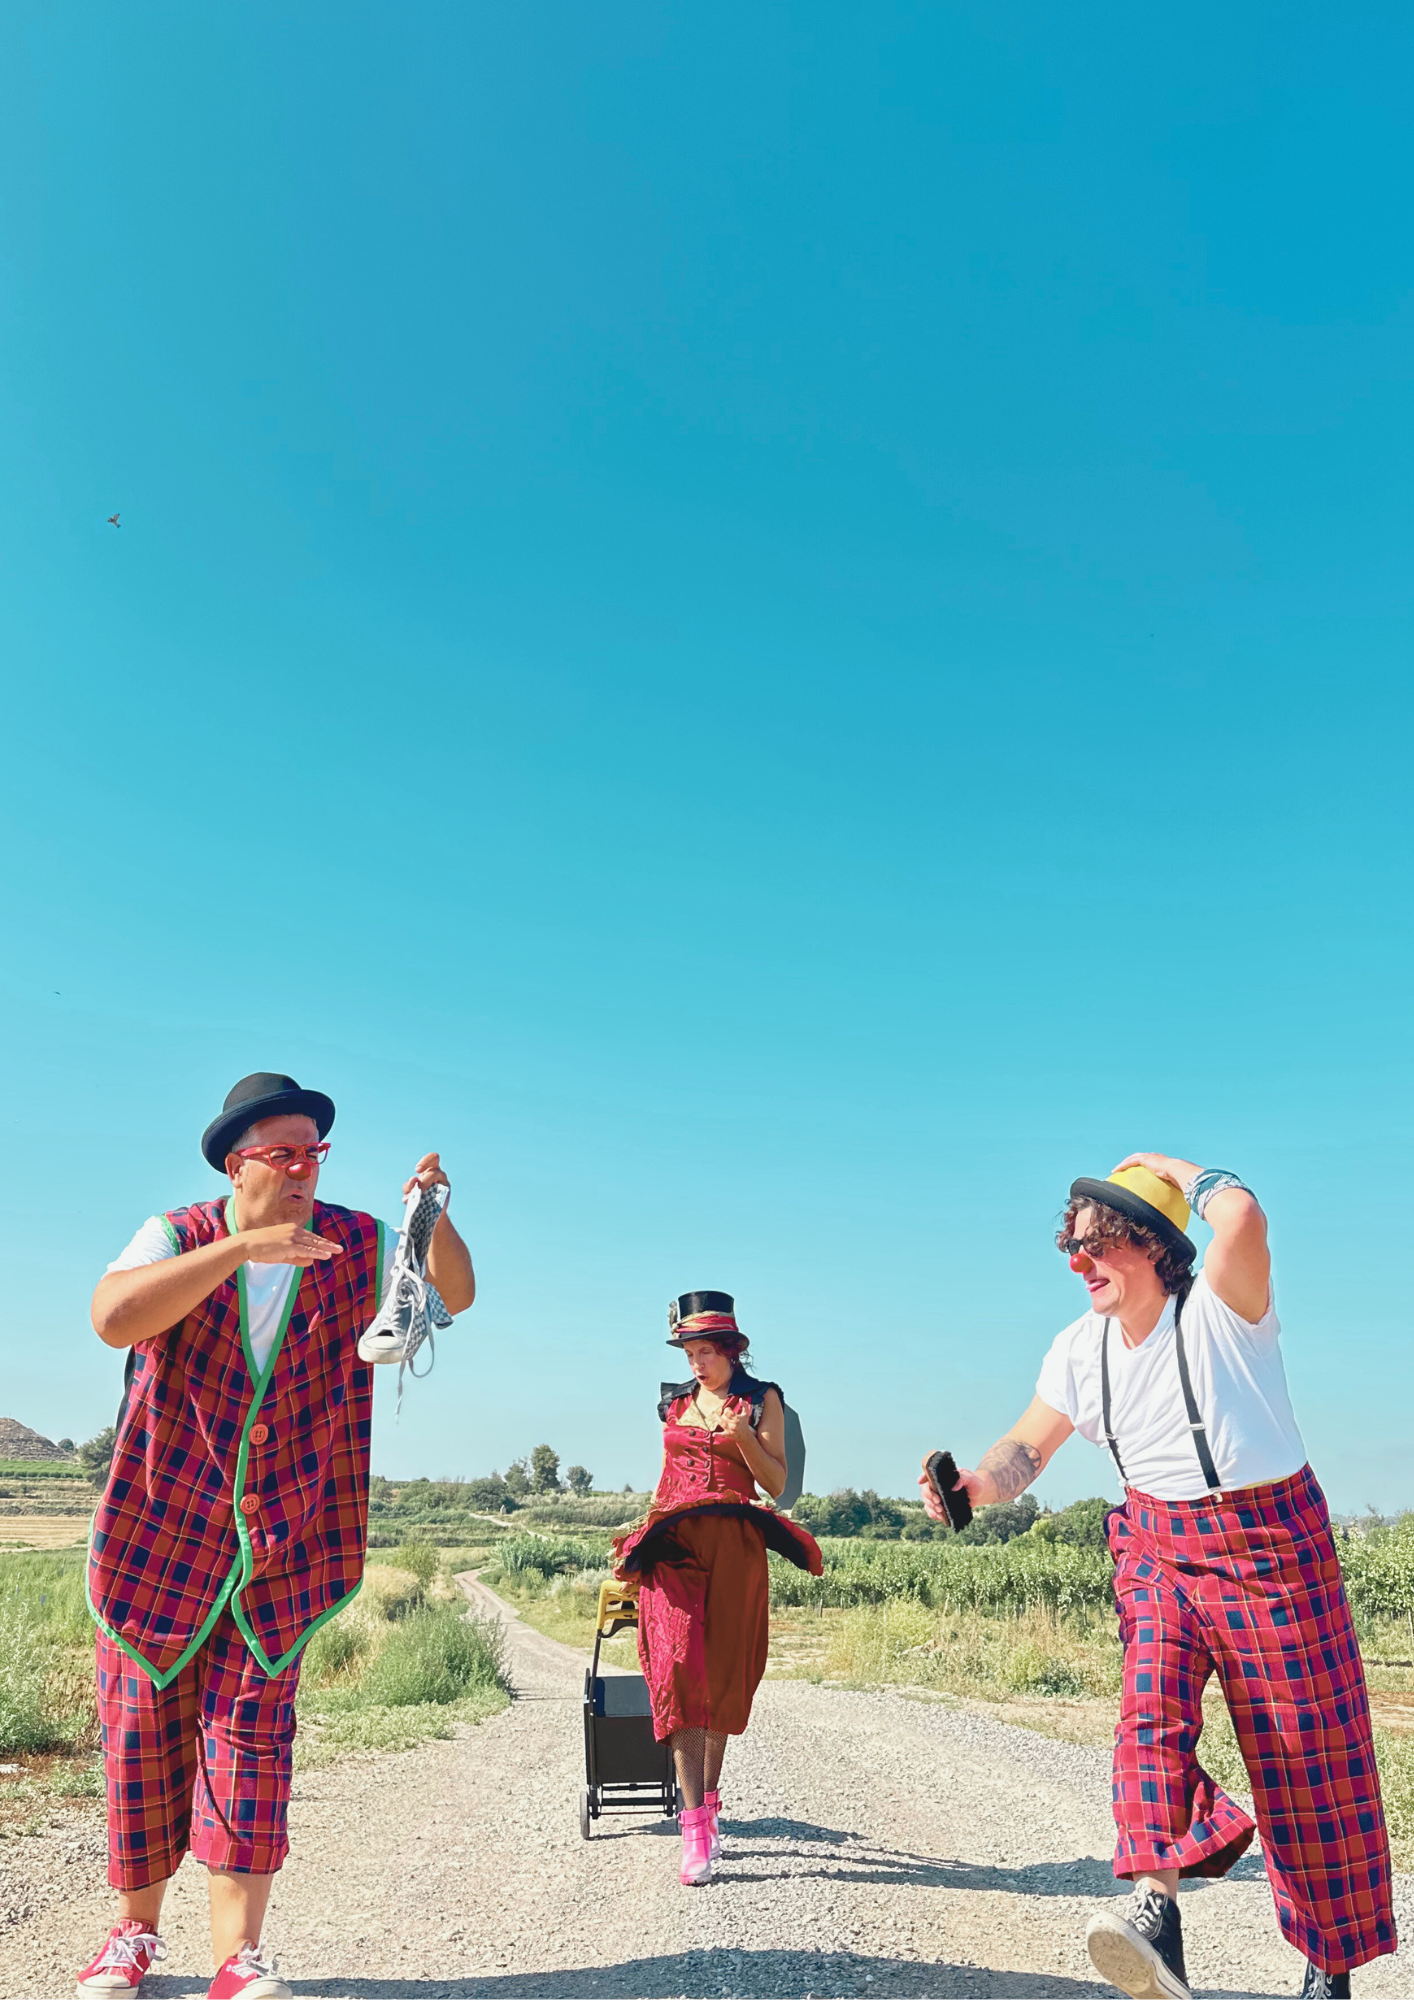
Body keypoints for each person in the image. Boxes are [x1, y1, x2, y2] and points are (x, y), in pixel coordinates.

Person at [921, 1156, 1395, 2000]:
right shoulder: (1079, 1349)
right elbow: (1027, 1445)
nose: (1080, 1261)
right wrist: (977, 1486)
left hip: (1270, 1543)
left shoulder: (1224, 1310)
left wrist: (1172, 1168)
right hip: (1155, 1541)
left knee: (1306, 1761)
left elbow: (1241, 1218)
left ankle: (1329, 1969)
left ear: (1154, 1246)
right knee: (1149, 1712)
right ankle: (1155, 1915)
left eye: (1099, 1243)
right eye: (1072, 1246)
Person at [76, 1073, 475, 2000]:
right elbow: (112, 1317)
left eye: (314, 1153)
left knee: (250, 1744)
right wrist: (242, 1250)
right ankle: (132, 1935)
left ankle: (238, 1958)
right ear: (237, 1163)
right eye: (284, 1153)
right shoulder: (177, 1235)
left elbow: (454, 1292)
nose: (303, 1169)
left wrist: (433, 1218)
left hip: (286, 1545)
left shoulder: (356, 1243)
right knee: (140, 1740)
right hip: (157, 1537)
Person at [612, 1290, 822, 1886]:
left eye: (705, 1352)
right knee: (678, 1671)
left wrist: (744, 1437)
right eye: (689, 1353)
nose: (697, 1363)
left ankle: (708, 1807)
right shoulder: (675, 1403)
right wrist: (640, 1546)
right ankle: (693, 1828)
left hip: (734, 1548)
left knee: (722, 1679)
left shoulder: (761, 1399)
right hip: (675, 1547)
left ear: (731, 1350)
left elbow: (776, 1482)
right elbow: (666, 1478)